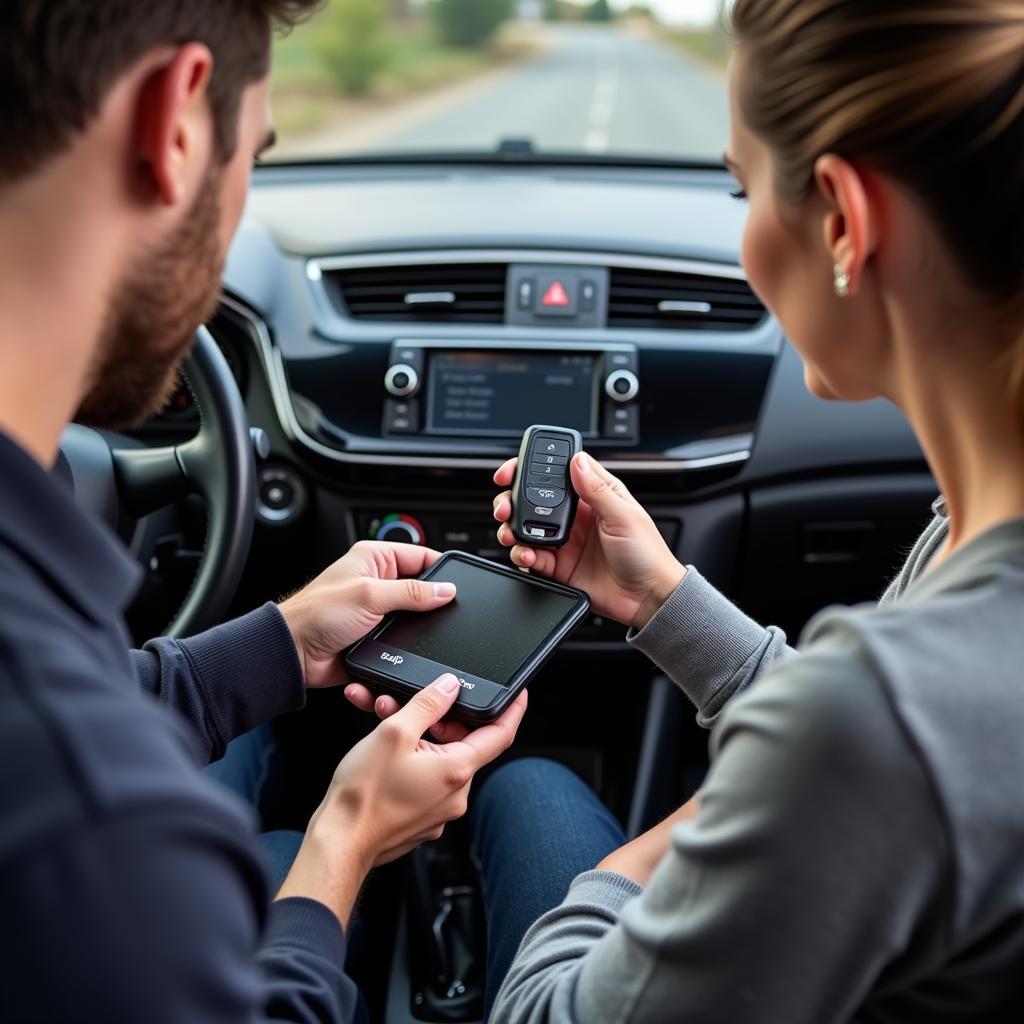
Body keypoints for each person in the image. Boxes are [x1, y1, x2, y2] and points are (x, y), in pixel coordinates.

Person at [473, 0, 1024, 1019]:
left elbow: (539, 1010)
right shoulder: (966, 534)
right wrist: (664, 599)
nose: (742, 243)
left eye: (741, 188)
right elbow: (888, 760)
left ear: (842, 220)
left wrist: (713, 817)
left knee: (517, 788)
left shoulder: (871, 729)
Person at [0, 3, 526, 1021]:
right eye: (258, 157)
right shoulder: (95, 820)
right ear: (178, 124)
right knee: (308, 847)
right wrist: (346, 842)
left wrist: (280, 643)